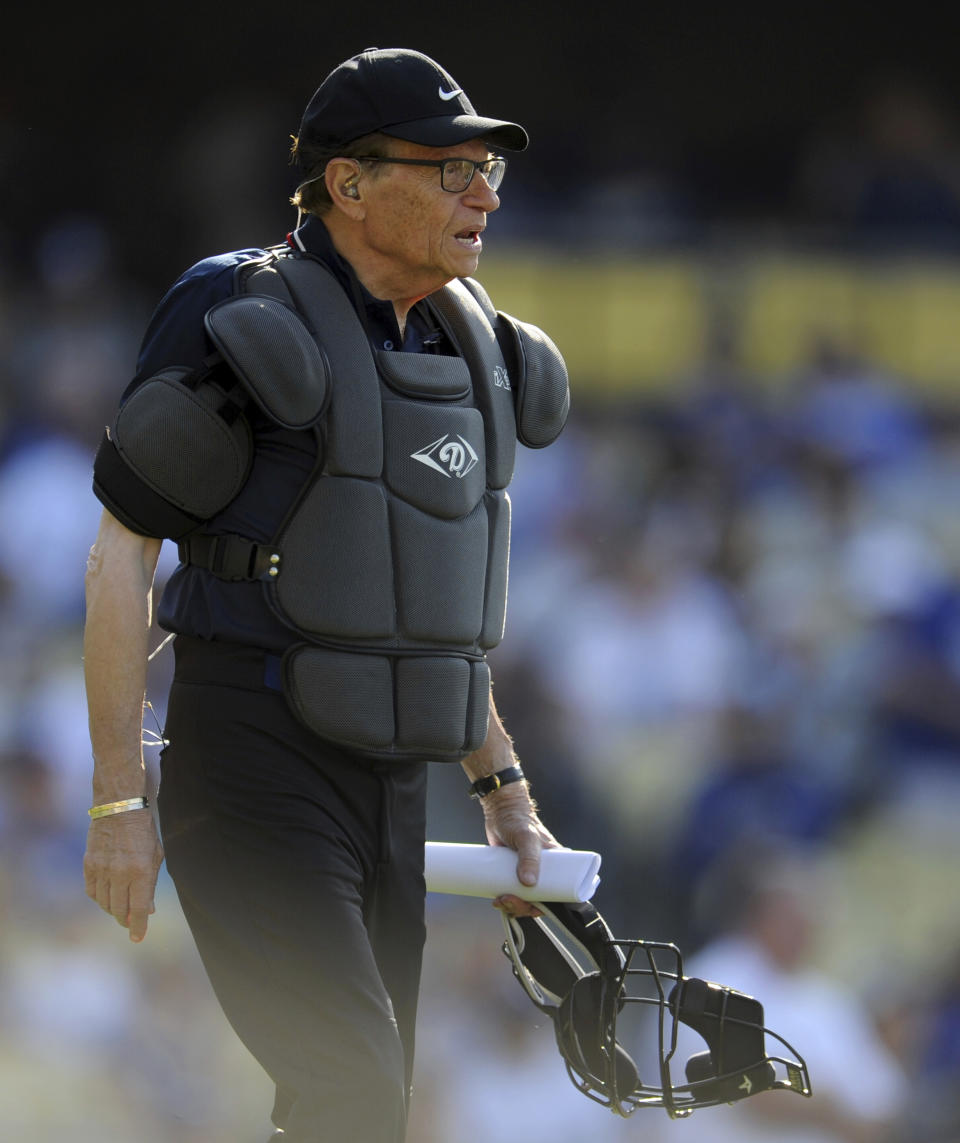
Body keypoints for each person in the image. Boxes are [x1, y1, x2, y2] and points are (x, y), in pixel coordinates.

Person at [82, 47, 570, 1143]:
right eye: (448, 169)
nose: (482, 192)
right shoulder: (233, 304)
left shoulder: (464, 335)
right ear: (348, 185)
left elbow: (421, 603)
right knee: (348, 1086)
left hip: (393, 782)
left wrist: (505, 791)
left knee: (356, 1106)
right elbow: (122, 555)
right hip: (252, 763)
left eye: (486, 167)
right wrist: (120, 799)